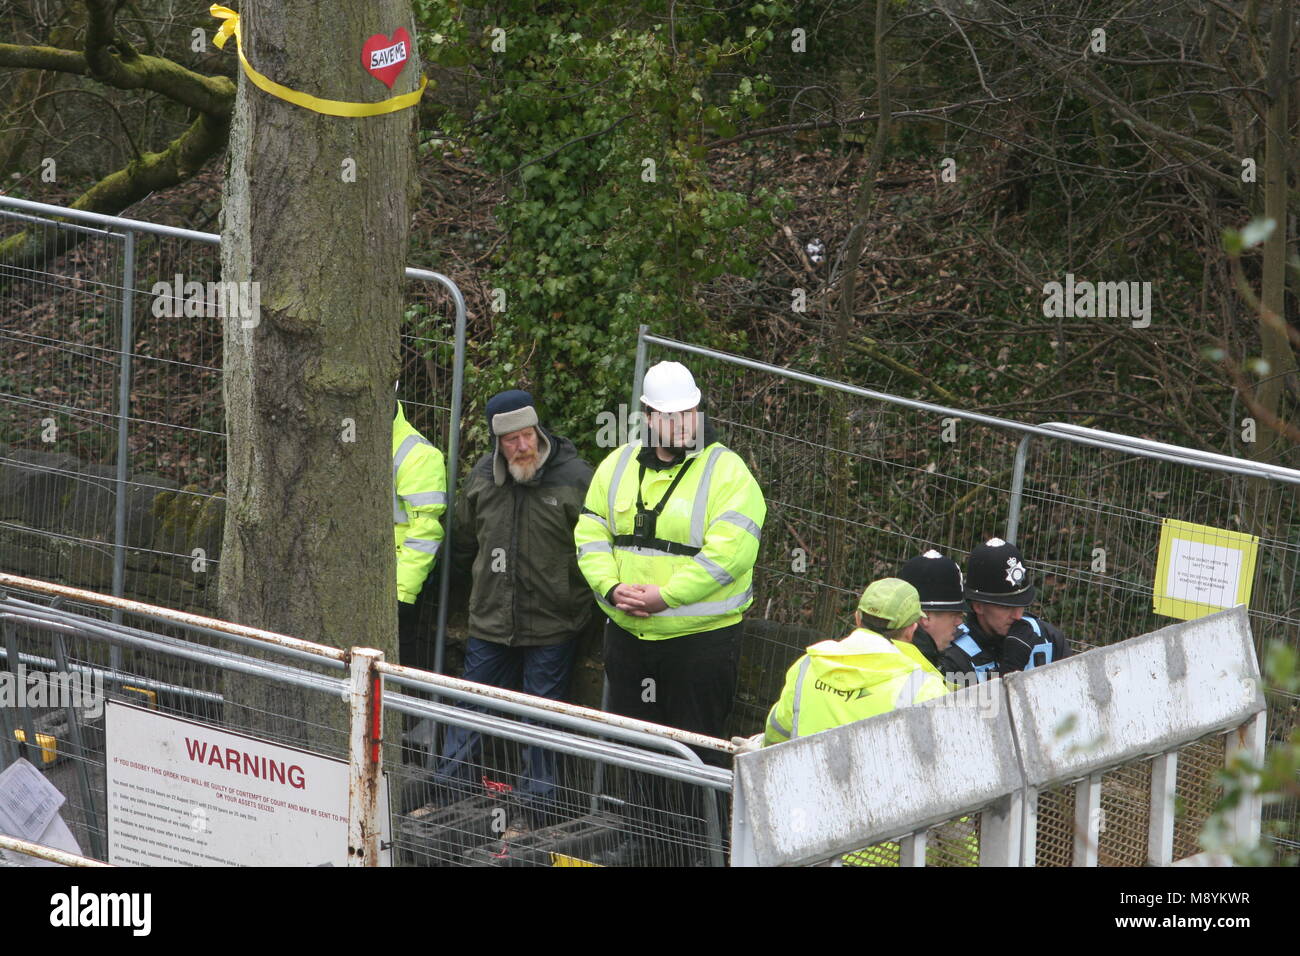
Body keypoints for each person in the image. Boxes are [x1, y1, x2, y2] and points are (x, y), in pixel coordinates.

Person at [575, 360, 765, 865]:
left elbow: (730, 555)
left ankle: (706, 853)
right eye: (669, 416)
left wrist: (667, 597)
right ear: (646, 416)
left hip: (699, 645)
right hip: (630, 639)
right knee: (639, 749)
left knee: (700, 756)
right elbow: (590, 533)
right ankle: (645, 845)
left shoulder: (728, 472)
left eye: (689, 414)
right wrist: (611, 588)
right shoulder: (615, 466)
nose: (681, 426)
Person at [433, 389, 595, 829]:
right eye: (511, 440)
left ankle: (535, 813)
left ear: (538, 431)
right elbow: (463, 542)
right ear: (496, 442)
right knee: (469, 708)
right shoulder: (483, 477)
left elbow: (598, 548)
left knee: (539, 719)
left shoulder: (575, 478)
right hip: (490, 619)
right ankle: (447, 796)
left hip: (552, 623)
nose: (522, 447)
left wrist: (578, 603)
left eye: (527, 436)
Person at [763, 578, 948, 746]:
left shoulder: (808, 664)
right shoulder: (925, 689)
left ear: (857, 618)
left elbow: (777, 732)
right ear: (911, 630)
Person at [938, 537, 1072, 682]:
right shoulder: (956, 658)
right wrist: (1010, 669)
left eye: (1021, 603)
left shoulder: (1048, 638)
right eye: (1006, 607)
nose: (1018, 616)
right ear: (978, 606)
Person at [392, 393, 447, 670]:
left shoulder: (419, 455)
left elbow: (425, 533)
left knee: (396, 668)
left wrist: (401, 595)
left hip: (395, 585)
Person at [896, 550, 967, 671]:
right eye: (954, 615)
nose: (959, 622)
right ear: (925, 617)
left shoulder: (887, 652)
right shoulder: (914, 671)